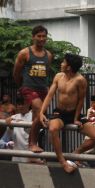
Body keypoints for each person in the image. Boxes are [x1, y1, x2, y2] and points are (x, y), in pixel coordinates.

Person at [39, 53, 95, 173]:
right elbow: (50, 95)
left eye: (63, 62)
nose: (61, 64)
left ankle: (76, 153)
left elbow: (81, 100)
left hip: (74, 113)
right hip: (60, 113)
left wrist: (76, 118)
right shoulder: (58, 76)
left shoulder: (80, 80)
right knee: (52, 129)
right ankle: (63, 162)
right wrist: (42, 112)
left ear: (69, 67)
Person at [13, 25, 53, 153]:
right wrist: (22, 87)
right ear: (33, 37)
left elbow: (46, 73)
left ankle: (31, 143)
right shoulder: (25, 53)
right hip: (28, 87)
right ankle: (32, 143)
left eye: (44, 36)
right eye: (39, 36)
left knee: (38, 117)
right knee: (38, 109)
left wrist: (47, 88)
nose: (41, 39)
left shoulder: (48, 55)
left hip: (42, 89)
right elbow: (16, 73)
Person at [0, 96, 44, 163]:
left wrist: (23, 124)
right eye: (18, 104)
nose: (20, 106)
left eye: (22, 104)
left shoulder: (34, 116)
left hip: (31, 156)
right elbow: (6, 137)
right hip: (16, 157)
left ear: (28, 104)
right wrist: (10, 127)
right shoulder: (13, 117)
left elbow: (39, 133)